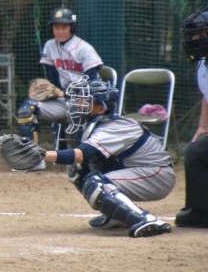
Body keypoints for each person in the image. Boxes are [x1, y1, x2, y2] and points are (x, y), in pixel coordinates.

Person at [41, 76, 174, 238]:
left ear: (100, 108)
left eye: (85, 101)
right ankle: (118, 214)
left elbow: (79, 155)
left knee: (96, 182)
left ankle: (145, 219)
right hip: (138, 170)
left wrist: (41, 154)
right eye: (78, 100)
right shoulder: (99, 124)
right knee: (79, 169)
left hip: (156, 175)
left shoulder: (114, 127)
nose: (78, 104)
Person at [16, 7, 104, 171]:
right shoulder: (50, 46)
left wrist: (71, 94)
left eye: (64, 26)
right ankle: (32, 160)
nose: (60, 31)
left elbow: (92, 82)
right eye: (56, 27)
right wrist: (53, 91)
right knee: (26, 109)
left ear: (72, 27)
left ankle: (80, 163)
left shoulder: (84, 48)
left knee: (79, 113)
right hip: (64, 100)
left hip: (86, 100)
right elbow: (53, 78)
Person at [175, 8, 208, 228]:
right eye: (194, 34)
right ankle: (200, 210)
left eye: (202, 34)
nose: (196, 39)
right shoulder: (203, 64)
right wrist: (203, 126)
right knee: (196, 149)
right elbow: (207, 96)